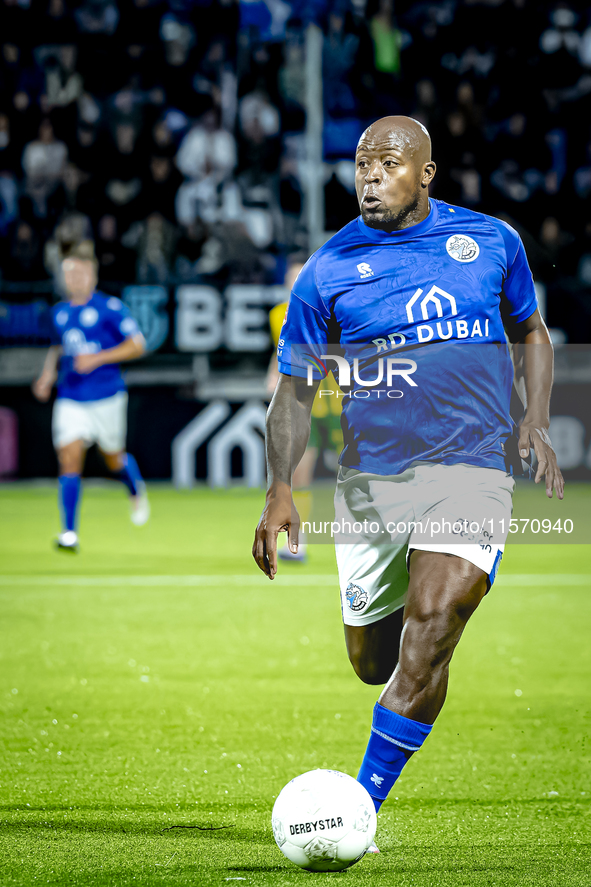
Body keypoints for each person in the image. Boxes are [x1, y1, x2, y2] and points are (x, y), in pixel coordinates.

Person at [253, 116, 564, 846]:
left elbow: (531, 330)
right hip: (369, 486)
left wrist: (536, 419)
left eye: (388, 163)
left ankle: (358, 807)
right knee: (374, 661)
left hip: (472, 468)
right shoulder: (327, 271)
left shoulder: (490, 242)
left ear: (424, 173)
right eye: (361, 165)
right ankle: (409, 684)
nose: (369, 176)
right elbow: (293, 393)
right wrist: (279, 487)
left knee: (433, 623)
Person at [33, 241, 149, 551]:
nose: (74, 278)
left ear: (92, 276)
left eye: (80, 272)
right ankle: (69, 532)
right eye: (69, 273)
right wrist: (46, 376)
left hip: (107, 395)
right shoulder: (59, 314)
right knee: (69, 457)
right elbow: (58, 348)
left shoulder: (109, 308)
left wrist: (97, 359)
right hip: (71, 396)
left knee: (113, 457)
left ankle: (135, 489)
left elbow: (137, 344)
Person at [267, 257, 343, 562]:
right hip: (305, 404)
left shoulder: (336, 309)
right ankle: (297, 539)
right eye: (293, 279)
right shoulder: (277, 315)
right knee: (300, 475)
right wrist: (273, 375)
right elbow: (282, 352)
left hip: (340, 402)